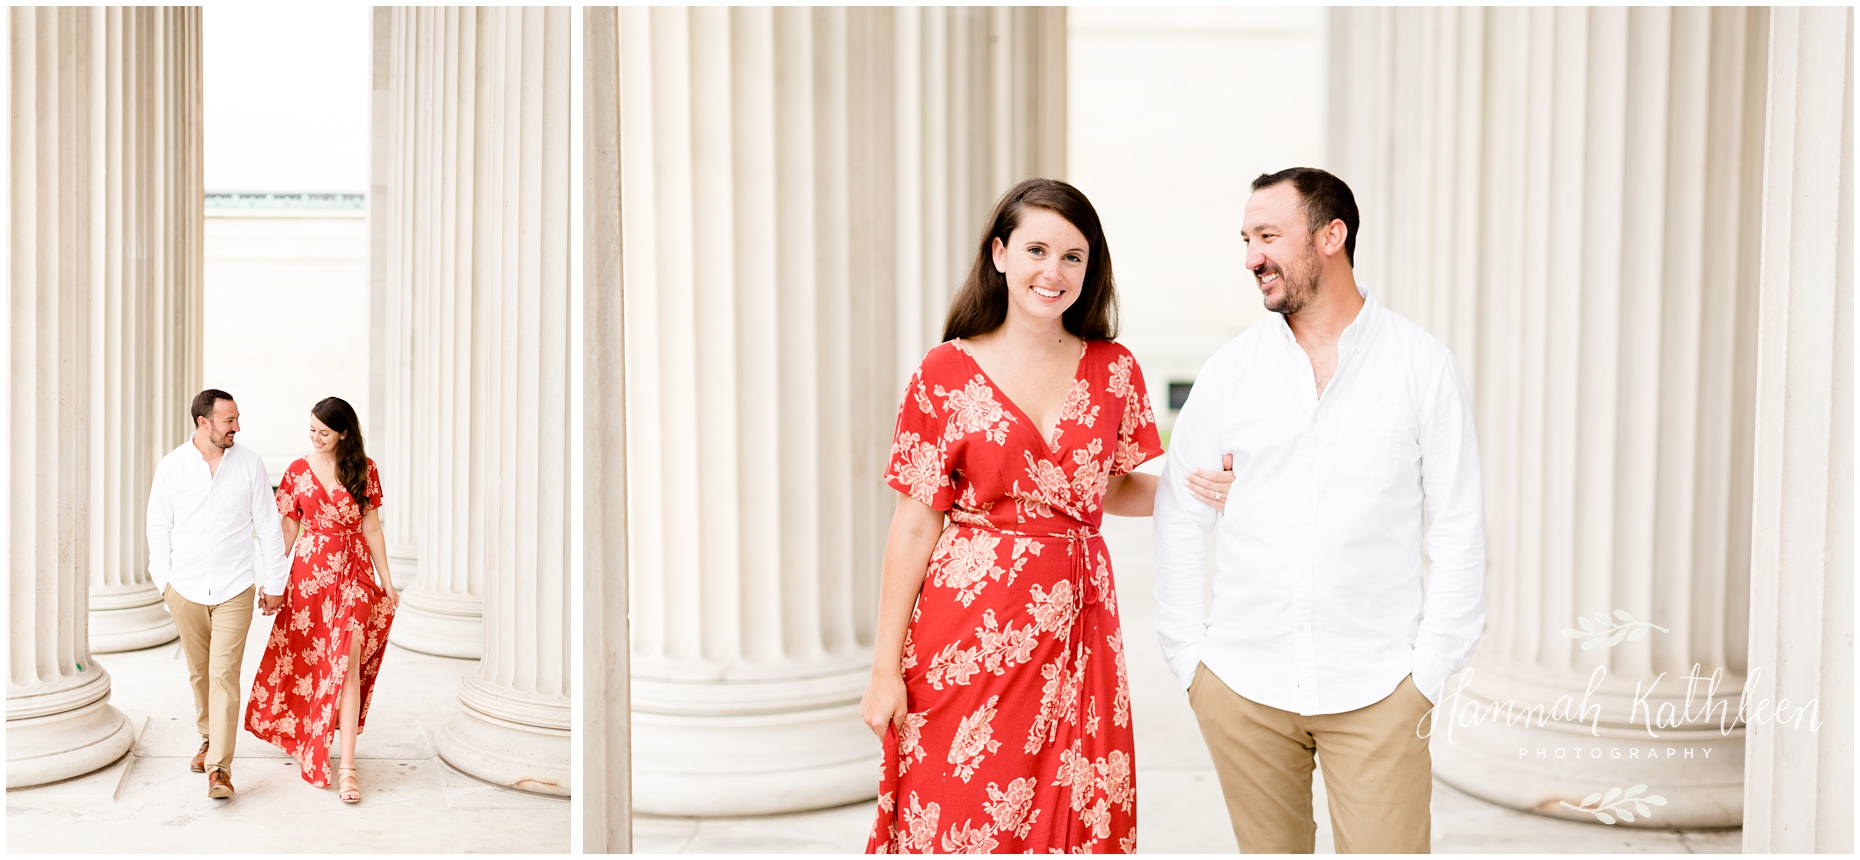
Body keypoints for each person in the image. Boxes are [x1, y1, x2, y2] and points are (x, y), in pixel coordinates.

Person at [861, 178, 1234, 853]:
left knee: (1073, 812)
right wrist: (885, 668)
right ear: (999, 254)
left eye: (1072, 257)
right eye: (1036, 249)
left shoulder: (1113, 368)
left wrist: (1196, 488)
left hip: (1076, 623)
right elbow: (914, 524)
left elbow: (1107, 489)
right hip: (965, 635)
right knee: (958, 814)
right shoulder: (944, 372)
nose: (1052, 272)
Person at [1151, 167, 1487, 853]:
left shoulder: (1422, 366)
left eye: (1268, 235)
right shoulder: (1229, 373)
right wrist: (1191, 657)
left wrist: (1426, 674)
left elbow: (1458, 526)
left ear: (1331, 236)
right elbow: (1182, 511)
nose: (1251, 257)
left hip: (1379, 690)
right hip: (1243, 687)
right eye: (1246, 239)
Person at [244, 396, 399, 803]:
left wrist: (387, 581)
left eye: (324, 432)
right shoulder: (296, 471)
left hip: (354, 576)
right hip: (309, 579)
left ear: (344, 433)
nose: (315, 437)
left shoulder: (365, 470)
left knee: (346, 663)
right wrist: (274, 581)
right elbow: (287, 531)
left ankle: (346, 767)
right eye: (311, 430)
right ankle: (308, 737)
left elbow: (373, 529)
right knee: (311, 662)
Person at [147, 389, 291, 799]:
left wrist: (275, 584)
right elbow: (157, 526)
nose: (237, 428)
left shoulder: (249, 464)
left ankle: (220, 770)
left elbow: (267, 525)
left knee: (223, 673)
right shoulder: (172, 466)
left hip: (234, 588)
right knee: (199, 672)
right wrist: (165, 583)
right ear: (203, 423)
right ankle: (209, 737)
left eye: (237, 419)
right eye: (229, 421)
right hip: (185, 589)